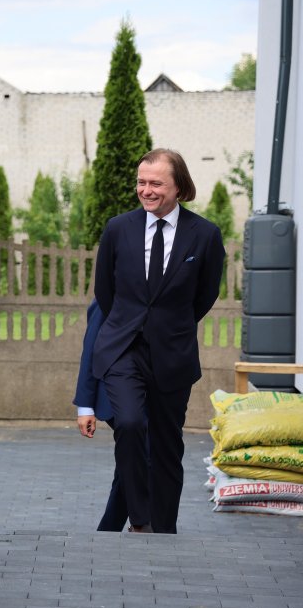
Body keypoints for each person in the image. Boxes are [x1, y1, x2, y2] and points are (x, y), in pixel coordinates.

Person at [92, 148, 225, 534]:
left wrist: (170, 327)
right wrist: (129, 325)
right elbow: (105, 291)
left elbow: (205, 296)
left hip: (172, 354)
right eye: (141, 182)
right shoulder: (118, 229)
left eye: (155, 183)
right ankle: (141, 518)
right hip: (123, 348)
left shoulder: (205, 235)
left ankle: (164, 531)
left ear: (179, 187)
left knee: (168, 446)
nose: (145, 190)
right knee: (130, 423)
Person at [73, 298, 127, 532]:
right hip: (115, 395)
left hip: (151, 392)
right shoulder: (108, 299)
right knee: (139, 455)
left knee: (134, 459)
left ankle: (112, 527)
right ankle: (128, 524)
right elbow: (90, 350)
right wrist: (85, 407)